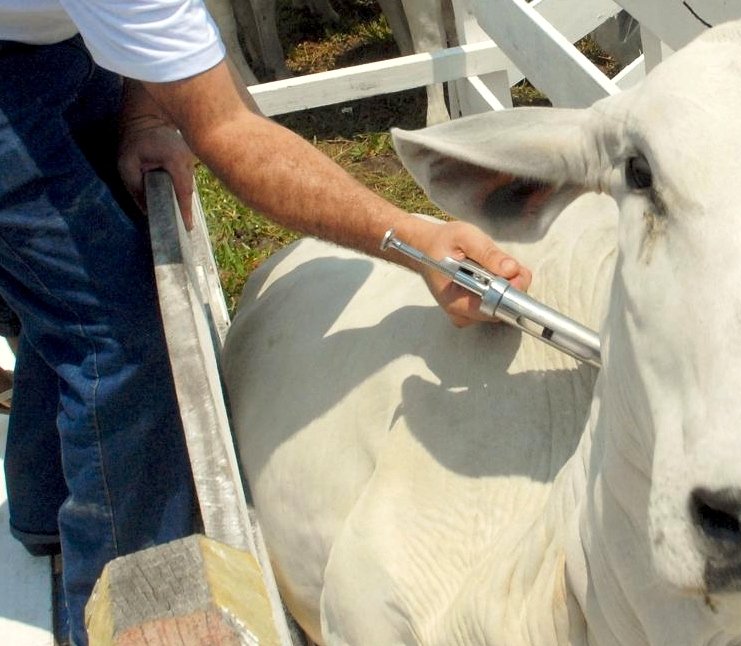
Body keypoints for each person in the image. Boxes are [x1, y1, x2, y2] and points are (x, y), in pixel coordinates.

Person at [0, 2, 532, 643]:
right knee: (115, 332)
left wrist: (145, 111)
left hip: (50, 38)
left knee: (65, 284)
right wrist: (412, 237)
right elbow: (229, 132)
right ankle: (130, 608)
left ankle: (40, 508)